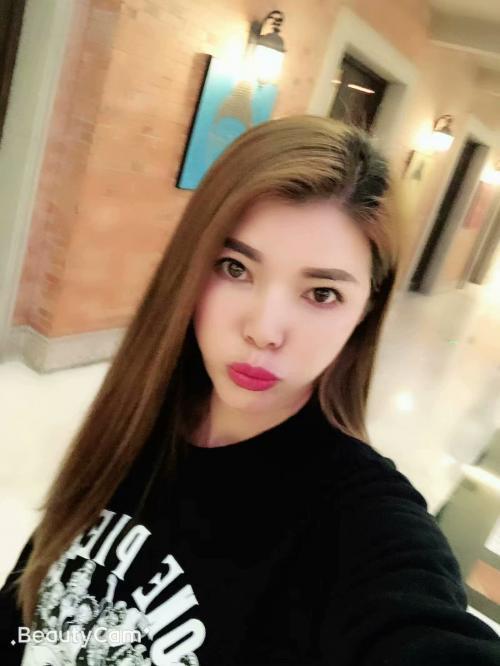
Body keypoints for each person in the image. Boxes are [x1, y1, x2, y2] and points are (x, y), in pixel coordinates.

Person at [1, 116, 499, 666]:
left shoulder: (358, 519)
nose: (264, 330)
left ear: (365, 311)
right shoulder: (141, 416)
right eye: (234, 267)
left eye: (322, 293)